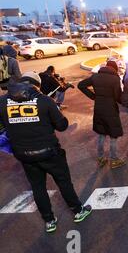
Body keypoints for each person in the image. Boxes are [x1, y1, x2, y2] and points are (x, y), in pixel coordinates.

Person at [0, 72, 92, 233]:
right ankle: (78, 211)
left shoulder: (2, 102)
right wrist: (53, 111)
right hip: (49, 152)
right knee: (63, 181)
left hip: (23, 154)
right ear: (36, 85)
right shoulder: (44, 101)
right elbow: (62, 126)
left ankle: (49, 220)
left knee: (38, 186)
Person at [78, 60, 126, 169]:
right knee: (113, 134)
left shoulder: (95, 77)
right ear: (114, 69)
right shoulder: (115, 79)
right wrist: (127, 102)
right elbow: (118, 96)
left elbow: (81, 85)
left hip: (99, 108)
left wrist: (93, 96)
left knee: (101, 133)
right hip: (111, 109)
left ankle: (100, 158)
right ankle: (114, 160)